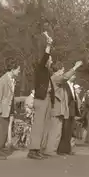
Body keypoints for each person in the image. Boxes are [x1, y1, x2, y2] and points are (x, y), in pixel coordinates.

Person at [40, 60, 83, 157]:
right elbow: (65, 77)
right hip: (57, 109)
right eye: (62, 69)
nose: (63, 71)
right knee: (55, 131)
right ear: (58, 70)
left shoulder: (55, 78)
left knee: (57, 131)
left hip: (58, 108)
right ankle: (50, 150)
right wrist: (75, 67)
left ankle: (51, 149)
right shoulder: (55, 78)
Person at [28, 31, 54, 160]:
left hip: (47, 98)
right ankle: (33, 150)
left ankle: (39, 149)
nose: (51, 61)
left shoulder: (47, 72)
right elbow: (45, 57)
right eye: (50, 59)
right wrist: (48, 44)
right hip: (41, 99)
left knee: (44, 125)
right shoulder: (40, 68)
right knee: (38, 125)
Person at [0, 61, 21, 160]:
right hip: (1, 111)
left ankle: (0, 149)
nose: (19, 71)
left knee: (3, 132)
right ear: (12, 69)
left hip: (6, 110)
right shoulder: (1, 81)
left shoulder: (11, 79)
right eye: (18, 69)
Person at [57, 75, 81, 155]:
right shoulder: (65, 85)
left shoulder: (71, 86)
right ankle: (61, 149)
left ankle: (67, 149)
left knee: (69, 132)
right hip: (67, 111)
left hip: (72, 112)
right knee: (65, 130)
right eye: (73, 75)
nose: (74, 76)